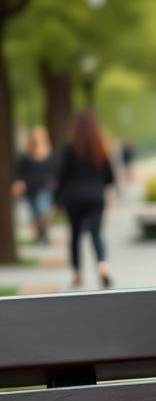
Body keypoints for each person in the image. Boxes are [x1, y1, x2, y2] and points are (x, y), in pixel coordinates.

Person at [55, 109, 116, 289]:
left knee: (75, 235)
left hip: (73, 198)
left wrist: (57, 199)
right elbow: (110, 177)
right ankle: (103, 266)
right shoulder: (100, 147)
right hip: (96, 196)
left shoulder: (69, 148)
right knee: (96, 233)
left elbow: (61, 176)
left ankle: (77, 273)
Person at [12, 125, 56, 245]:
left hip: (44, 187)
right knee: (35, 213)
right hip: (30, 188)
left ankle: (44, 233)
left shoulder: (48, 154)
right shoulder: (26, 155)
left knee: (43, 210)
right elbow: (19, 172)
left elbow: (54, 171)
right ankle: (40, 234)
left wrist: (54, 182)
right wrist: (18, 182)